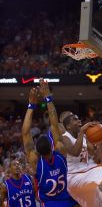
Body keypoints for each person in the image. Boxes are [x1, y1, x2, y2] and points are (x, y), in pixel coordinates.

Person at [22, 79, 77, 207]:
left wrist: (31, 105)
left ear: (37, 151)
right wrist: (48, 97)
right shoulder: (60, 151)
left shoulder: (36, 162)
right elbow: (54, 124)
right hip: (68, 202)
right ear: (52, 146)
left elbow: (25, 133)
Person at [61, 112, 102, 207]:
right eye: (75, 120)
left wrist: (99, 143)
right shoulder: (65, 138)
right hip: (74, 177)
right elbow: (75, 152)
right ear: (68, 126)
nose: (79, 120)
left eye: (78, 118)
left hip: (85, 173)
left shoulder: (84, 137)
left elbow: (97, 157)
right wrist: (82, 131)